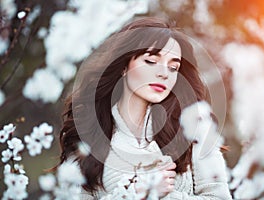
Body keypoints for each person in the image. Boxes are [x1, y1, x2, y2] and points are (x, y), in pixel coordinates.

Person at [59, 17, 232, 199]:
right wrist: (139, 193)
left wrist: (165, 196)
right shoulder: (88, 135)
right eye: (151, 61)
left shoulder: (194, 128)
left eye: (173, 67)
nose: (163, 73)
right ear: (124, 66)